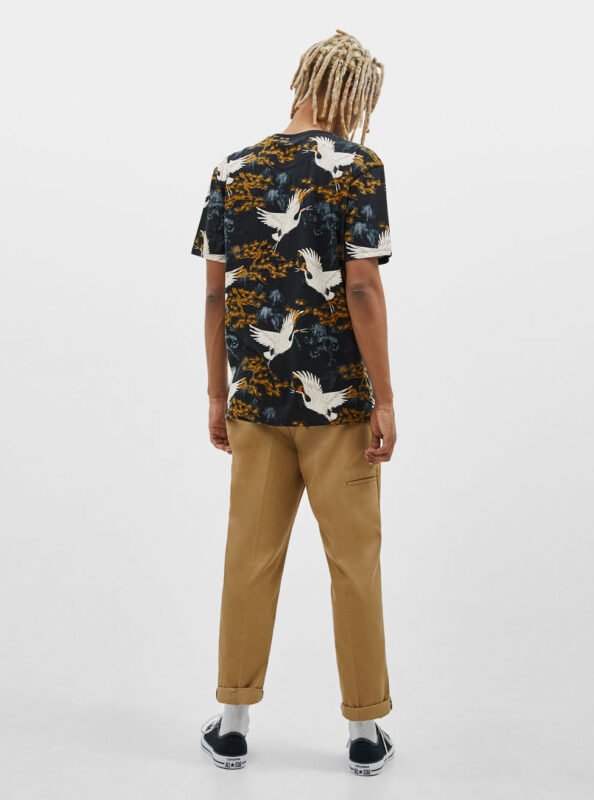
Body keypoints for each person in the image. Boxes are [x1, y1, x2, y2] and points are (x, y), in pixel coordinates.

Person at [192, 29, 396, 776]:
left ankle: (233, 722)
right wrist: (384, 399)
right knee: (354, 562)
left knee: (248, 559)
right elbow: (363, 287)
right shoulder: (358, 167)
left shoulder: (233, 167)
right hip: (338, 409)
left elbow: (214, 297)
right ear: (351, 94)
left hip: (256, 404)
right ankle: (365, 732)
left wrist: (217, 394)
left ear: (303, 81)